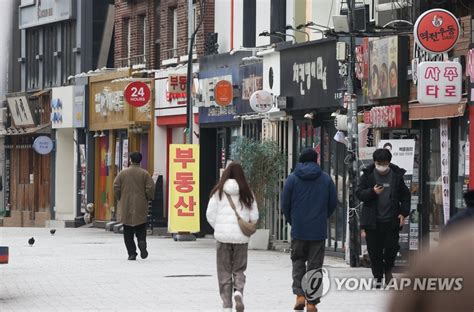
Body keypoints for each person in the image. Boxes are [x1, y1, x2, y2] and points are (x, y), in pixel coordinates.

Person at [281, 148, 337, 312]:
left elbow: (285, 204)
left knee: (298, 260)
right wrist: (322, 217)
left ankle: (299, 295)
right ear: (316, 160)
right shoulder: (326, 179)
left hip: (299, 228)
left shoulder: (292, 179)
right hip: (317, 230)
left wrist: (293, 220)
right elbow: (333, 202)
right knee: (315, 265)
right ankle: (311, 302)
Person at [206, 162, 259, 312]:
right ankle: (238, 291)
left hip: (223, 238)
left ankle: (227, 305)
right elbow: (254, 216)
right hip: (241, 238)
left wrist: (219, 228)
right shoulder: (247, 192)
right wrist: (247, 224)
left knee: (224, 272)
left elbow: (210, 214)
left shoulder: (218, 192)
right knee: (239, 269)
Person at [356, 148, 410, 287]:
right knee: (374, 251)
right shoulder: (368, 175)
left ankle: (388, 270)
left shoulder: (396, 175)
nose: (382, 166)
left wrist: (403, 212)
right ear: (374, 162)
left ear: (389, 162)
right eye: (379, 163)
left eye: (384, 163)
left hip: (391, 220)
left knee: (392, 248)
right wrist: (372, 192)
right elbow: (359, 193)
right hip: (372, 221)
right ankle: (378, 277)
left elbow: (405, 196)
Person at [113, 152, 155, 261]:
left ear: (130, 160)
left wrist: (120, 198)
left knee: (127, 230)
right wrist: (147, 197)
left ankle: (132, 253)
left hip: (126, 204)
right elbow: (150, 188)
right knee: (141, 226)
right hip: (140, 203)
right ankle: (141, 241)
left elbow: (116, 186)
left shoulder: (123, 173)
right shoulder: (145, 173)